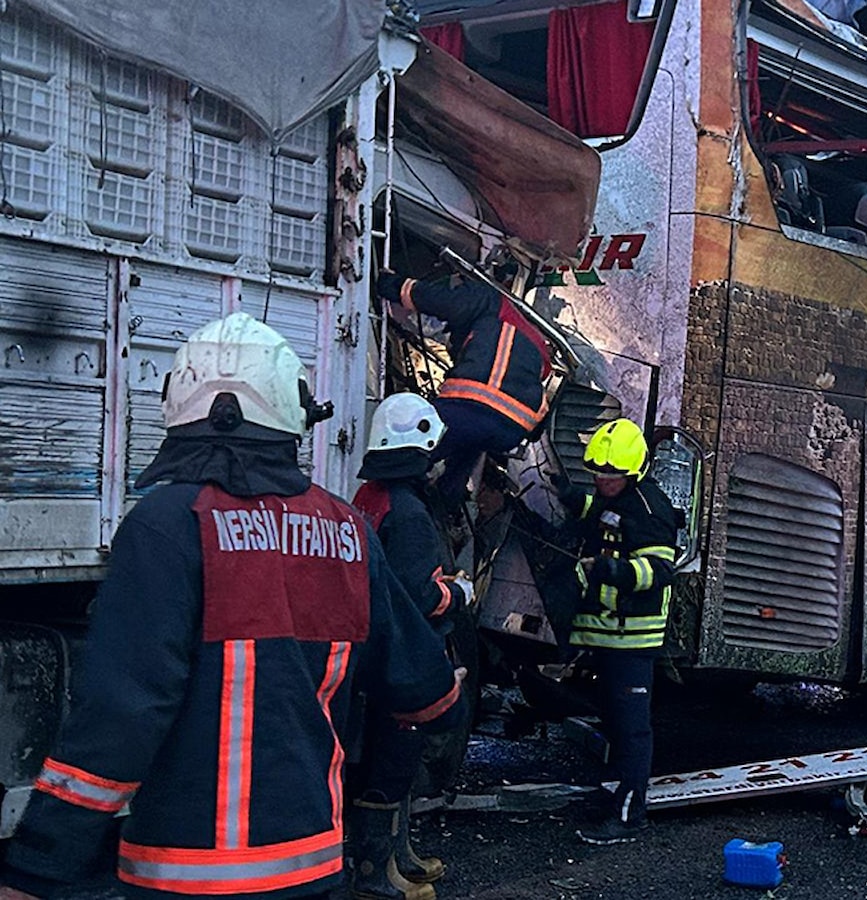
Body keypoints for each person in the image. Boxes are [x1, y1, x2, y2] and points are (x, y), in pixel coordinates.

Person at [0, 313, 464, 900]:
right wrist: (446, 704)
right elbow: (420, 681)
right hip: (313, 866)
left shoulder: (168, 526)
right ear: (292, 413)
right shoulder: (348, 530)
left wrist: (41, 865)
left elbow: (121, 713)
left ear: (181, 407)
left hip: (188, 875)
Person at [348, 393, 476, 900]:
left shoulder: (371, 497)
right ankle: (376, 876)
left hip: (371, 653)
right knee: (394, 760)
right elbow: (418, 597)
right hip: (402, 658)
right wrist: (458, 592)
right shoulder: (410, 515)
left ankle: (398, 859)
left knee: (384, 757)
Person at [554, 418, 679, 845]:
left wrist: (611, 571)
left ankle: (630, 817)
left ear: (633, 472)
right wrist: (570, 496)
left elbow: (661, 571)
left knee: (632, 731)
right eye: (597, 474)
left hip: (633, 639)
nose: (602, 481)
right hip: (606, 635)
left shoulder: (651, 510)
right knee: (610, 725)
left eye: (610, 476)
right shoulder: (621, 498)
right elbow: (601, 513)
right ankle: (614, 798)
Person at [375, 270, 551, 507]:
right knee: (468, 447)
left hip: (477, 405)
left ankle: (386, 500)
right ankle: (446, 499)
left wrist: (395, 286)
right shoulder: (531, 342)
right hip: (513, 429)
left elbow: (445, 302)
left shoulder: (490, 300)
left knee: (411, 448)